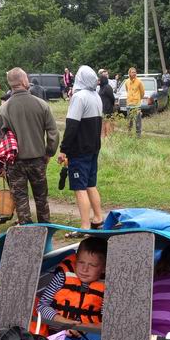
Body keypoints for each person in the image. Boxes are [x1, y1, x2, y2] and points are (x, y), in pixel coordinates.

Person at [0, 67, 59, 225]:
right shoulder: (41, 104)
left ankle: (27, 232)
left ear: (10, 84)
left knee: (21, 200)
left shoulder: (4, 108)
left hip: (14, 162)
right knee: (41, 198)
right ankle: (46, 230)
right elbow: (53, 133)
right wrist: (49, 152)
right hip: (38, 159)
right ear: (23, 81)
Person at [35, 237, 107, 340]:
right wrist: (66, 323)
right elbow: (41, 306)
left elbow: (108, 323)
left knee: (96, 339)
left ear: (103, 269)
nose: (84, 269)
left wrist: (84, 328)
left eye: (92, 265)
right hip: (60, 333)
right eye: (81, 262)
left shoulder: (107, 287)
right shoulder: (62, 277)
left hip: (90, 335)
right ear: (76, 260)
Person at [58, 65, 105, 235]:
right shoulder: (96, 96)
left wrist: (63, 150)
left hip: (80, 150)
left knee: (80, 188)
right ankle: (98, 219)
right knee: (91, 184)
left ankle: (85, 227)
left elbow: (72, 126)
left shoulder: (78, 97)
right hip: (94, 148)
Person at [124, 67, 145, 137]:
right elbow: (127, 90)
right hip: (129, 104)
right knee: (129, 121)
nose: (134, 73)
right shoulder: (126, 82)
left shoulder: (139, 82)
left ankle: (138, 135)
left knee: (138, 121)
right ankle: (129, 135)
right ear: (129, 73)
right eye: (133, 72)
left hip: (136, 105)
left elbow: (142, 92)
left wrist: (138, 98)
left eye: (135, 72)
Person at [98, 70, 116, 138]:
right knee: (103, 121)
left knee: (107, 121)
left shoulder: (107, 87)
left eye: (100, 80)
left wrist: (112, 105)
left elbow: (112, 98)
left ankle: (108, 135)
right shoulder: (101, 87)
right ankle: (103, 135)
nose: (98, 81)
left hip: (108, 107)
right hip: (102, 107)